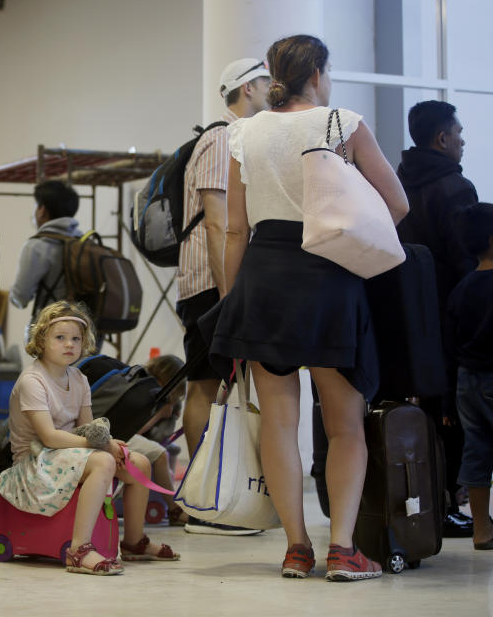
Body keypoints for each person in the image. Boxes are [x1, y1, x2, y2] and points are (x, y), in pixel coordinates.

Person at [212, 34, 409, 581]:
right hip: (326, 274)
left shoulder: (242, 132)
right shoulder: (340, 122)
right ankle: (342, 550)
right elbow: (397, 203)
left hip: (263, 277)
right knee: (345, 424)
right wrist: (355, 239)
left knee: (279, 422)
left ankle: (296, 548)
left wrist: (234, 304)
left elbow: (234, 229)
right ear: (317, 73)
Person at [0, 301, 180, 575]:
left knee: (139, 462)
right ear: (42, 340)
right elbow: (48, 437)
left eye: (75, 339)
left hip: (65, 453)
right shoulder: (32, 381)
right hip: (35, 461)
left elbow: (86, 428)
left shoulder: (79, 379)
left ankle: (133, 542)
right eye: (60, 338)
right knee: (103, 463)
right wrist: (101, 447)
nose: (69, 344)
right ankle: (78, 549)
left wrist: (109, 443)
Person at [178, 57, 271, 537]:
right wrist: (228, 292)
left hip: (217, 281)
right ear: (249, 88)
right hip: (210, 284)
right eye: (264, 84)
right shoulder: (222, 137)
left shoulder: (233, 138)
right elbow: (218, 221)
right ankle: (203, 503)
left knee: (219, 385)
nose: (270, 91)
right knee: (206, 386)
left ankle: (221, 495)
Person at [397, 100, 479, 537]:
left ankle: (426, 502)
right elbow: (466, 261)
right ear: (442, 138)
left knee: (422, 410)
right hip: (448, 316)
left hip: (407, 314)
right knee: (454, 414)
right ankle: (451, 503)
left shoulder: (396, 181)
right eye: (459, 133)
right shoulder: (454, 187)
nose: (463, 140)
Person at [446, 203, 493, 551]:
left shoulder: (462, 288)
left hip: (466, 383)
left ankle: (481, 530)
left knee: (476, 452)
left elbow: (449, 345)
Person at [125, 354, 189, 526]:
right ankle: (173, 509)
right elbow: (132, 431)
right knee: (161, 455)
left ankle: (170, 501)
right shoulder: (143, 389)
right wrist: (159, 415)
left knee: (169, 453)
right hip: (126, 437)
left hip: (145, 439)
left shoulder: (162, 395)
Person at [9, 180, 82, 322]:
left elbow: (20, 298)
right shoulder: (83, 241)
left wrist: (14, 295)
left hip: (52, 331)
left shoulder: (36, 246)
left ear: (42, 210)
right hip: (83, 331)